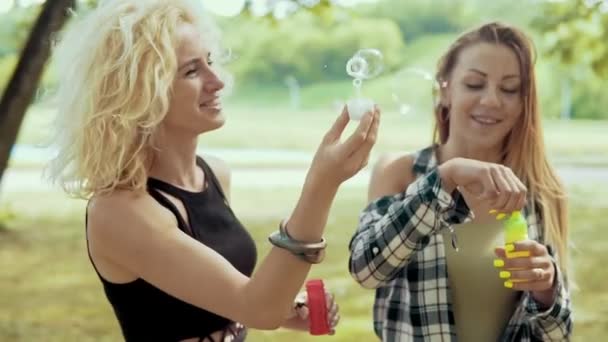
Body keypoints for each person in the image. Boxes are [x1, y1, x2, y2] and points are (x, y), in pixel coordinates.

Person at [47, 0, 380, 341]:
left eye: (209, 61)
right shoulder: (119, 212)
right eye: (192, 71)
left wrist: (284, 306)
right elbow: (255, 307)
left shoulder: (214, 175)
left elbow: (227, 298)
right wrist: (322, 185)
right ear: (140, 93)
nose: (217, 81)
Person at [348, 22, 571, 341]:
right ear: (446, 89)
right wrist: (445, 178)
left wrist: (548, 291)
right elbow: (366, 270)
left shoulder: (544, 190)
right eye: (475, 84)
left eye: (509, 89)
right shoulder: (400, 172)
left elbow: (559, 335)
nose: (492, 100)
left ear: (524, 104)